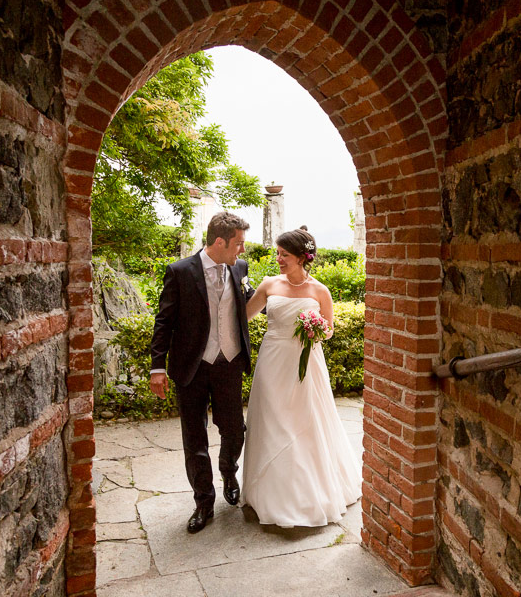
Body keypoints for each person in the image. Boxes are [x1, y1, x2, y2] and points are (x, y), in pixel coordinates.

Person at [241, 226, 362, 527]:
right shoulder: (269, 285)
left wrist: (315, 328)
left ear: (301, 257)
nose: (278, 259)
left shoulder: (320, 291)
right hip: (272, 363)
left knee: (303, 421)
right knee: (273, 419)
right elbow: (243, 316)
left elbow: (330, 329)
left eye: (284, 254)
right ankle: (268, 491)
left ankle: (306, 492)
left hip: (306, 363)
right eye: (278, 253)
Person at [149, 212, 256, 533]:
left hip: (230, 363)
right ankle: (204, 501)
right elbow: (164, 320)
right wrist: (157, 366)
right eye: (238, 244)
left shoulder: (240, 268)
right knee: (194, 438)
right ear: (219, 241)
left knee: (235, 429)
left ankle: (228, 473)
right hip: (191, 367)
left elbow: (250, 303)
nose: (242, 251)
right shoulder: (180, 271)